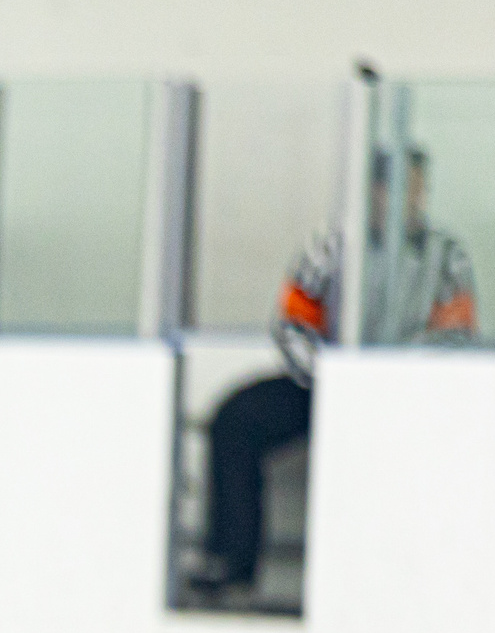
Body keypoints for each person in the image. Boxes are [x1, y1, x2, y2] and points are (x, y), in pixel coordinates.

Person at [194, 148, 476, 598]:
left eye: (421, 189)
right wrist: (336, 380)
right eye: (407, 187)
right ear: (378, 191)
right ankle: (231, 566)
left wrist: (391, 382)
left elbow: (456, 338)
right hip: (322, 388)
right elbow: (291, 325)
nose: (416, 198)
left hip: (407, 399)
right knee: (235, 419)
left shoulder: (448, 257)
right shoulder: (332, 244)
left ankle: (407, 581)